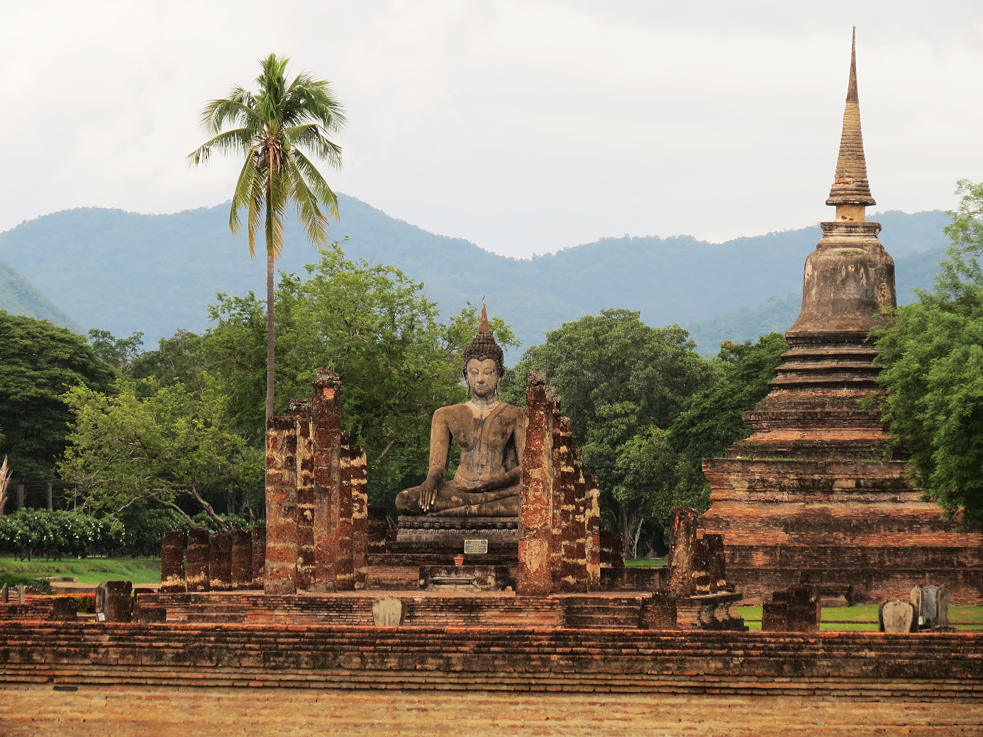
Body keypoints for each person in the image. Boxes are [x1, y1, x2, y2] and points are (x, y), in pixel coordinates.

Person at [395, 303, 525, 517]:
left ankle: (463, 511)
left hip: (499, 490)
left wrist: (495, 483)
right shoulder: (445, 415)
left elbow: (527, 468)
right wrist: (430, 482)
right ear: (466, 376)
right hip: (459, 489)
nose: (480, 379)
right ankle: (474, 510)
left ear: (499, 376)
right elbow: (438, 467)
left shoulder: (515, 414)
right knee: (405, 500)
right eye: (474, 372)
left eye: (488, 372)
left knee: (529, 501)